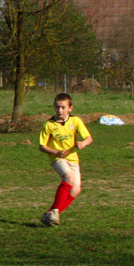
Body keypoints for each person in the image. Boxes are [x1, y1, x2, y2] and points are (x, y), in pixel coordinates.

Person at [38, 92, 93, 226]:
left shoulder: (76, 121)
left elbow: (89, 138)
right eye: (57, 107)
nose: (60, 110)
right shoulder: (49, 125)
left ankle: (50, 214)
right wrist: (56, 152)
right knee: (68, 177)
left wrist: (83, 143)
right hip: (57, 159)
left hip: (73, 158)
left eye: (63, 107)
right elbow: (41, 146)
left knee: (76, 189)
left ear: (70, 108)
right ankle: (54, 212)